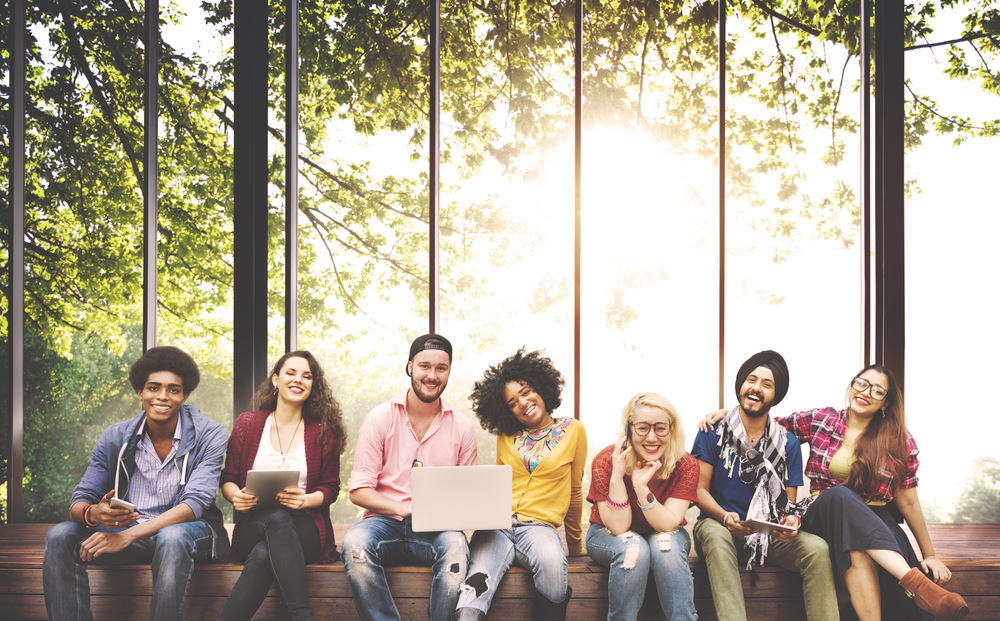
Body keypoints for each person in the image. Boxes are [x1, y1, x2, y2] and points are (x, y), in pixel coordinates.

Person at [756, 365, 966, 621]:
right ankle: (918, 585)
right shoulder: (822, 419)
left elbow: (908, 502)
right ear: (852, 385)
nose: (866, 392)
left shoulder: (899, 440)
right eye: (862, 384)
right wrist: (727, 415)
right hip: (822, 512)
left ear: (886, 403)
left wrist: (930, 554)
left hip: (875, 520)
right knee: (840, 495)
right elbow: (766, 427)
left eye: (878, 391)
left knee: (856, 546)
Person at [43, 346, 230, 621]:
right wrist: (93, 513)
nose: (162, 396)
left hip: (190, 534)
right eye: (153, 388)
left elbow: (195, 503)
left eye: (173, 390)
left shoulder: (210, 434)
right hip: (130, 532)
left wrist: (127, 535)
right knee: (60, 535)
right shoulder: (116, 436)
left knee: (172, 536)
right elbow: (80, 498)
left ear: (185, 395)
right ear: (140, 392)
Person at [691, 350, 838, 621]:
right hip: (719, 524)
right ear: (741, 385)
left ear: (776, 395)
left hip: (766, 534)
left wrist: (790, 523)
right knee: (715, 534)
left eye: (766, 384)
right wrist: (725, 516)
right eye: (751, 380)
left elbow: (788, 506)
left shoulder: (788, 443)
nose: (756, 388)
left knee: (817, 549)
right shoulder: (713, 431)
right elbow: (699, 490)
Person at [343, 334, 478, 621]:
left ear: (449, 371)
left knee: (456, 547)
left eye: (441, 368)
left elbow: (468, 497)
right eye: (424, 366)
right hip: (384, 523)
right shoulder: (379, 418)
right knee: (355, 543)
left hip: (437, 529)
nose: (432, 375)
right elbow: (358, 491)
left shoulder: (463, 427)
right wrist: (402, 507)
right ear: (410, 367)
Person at [453, 348, 586, 621]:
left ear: (540, 387)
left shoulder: (573, 430)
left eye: (526, 392)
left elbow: (574, 489)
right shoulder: (506, 435)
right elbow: (498, 485)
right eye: (512, 402)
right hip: (496, 527)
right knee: (474, 590)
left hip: (539, 527)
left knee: (552, 562)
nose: (523, 403)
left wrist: (574, 544)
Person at [217, 351, 346, 621]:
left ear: (313, 386)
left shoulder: (322, 430)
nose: (298, 379)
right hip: (252, 525)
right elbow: (228, 478)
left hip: (305, 527)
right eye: (291, 373)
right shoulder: (248, 424)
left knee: (266, 552)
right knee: (272, 526)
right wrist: (236, 497)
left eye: (307, 376)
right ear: (276, 379)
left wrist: (306, 500)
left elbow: (330, 488)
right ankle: (301, 614)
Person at [585, 392, 700, 621]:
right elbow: (618, 527)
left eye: (660, 428)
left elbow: (667, 524)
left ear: (671, 429)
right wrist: (618, 476)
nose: (651, 437)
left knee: (665, 547)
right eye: (642, 428)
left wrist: (641, 488)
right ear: (629, 429)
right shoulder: (605, 460)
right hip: (606, 534)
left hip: (663, 530)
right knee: (633, 549)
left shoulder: (686, 464)